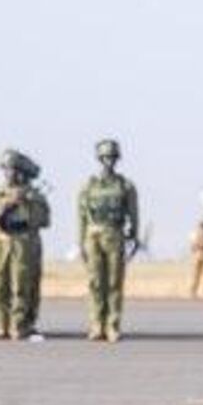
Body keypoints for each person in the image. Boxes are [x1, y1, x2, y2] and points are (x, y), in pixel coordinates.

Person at [0, 149, 50, 339]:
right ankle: (0, 324)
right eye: (6, 169)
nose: (9, 173)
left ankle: (19, 324)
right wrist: (4, 207)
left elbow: (43, 220)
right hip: (0, 242)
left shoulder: (33, 195)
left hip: (23, 242)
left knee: (21, 284)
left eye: (12, 169)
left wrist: (26, 204)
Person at [77, 139, 138, 342]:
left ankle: (112, 325)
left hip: (115, 234)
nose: (108, 162)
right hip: (93, 235)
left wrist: (134, 235)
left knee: (114, 282)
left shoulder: (125, 185)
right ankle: (96, 325)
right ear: (99, 159)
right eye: (105, 158)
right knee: (95, 282)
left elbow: (133, 213)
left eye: (112, 158)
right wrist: (80, 242)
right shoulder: (88, 186)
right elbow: (81, 216)